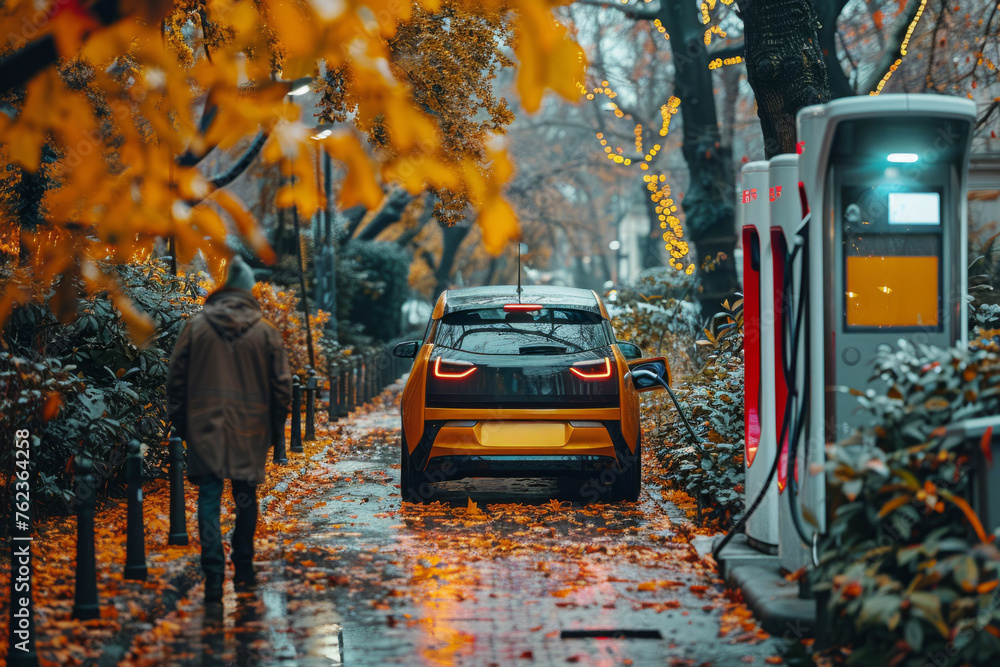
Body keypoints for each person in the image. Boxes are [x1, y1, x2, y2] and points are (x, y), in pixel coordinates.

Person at [167, 255, 292, 602]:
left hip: (204, 427)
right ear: (248, 291)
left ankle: (212, 573)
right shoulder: (266, 332)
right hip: (250, 431)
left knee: (208, 497)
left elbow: (175, 380)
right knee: (244, 497)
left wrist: (182, 423)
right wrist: (274, 429)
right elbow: (282, 388)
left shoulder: (195, 328)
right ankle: (245, 567)